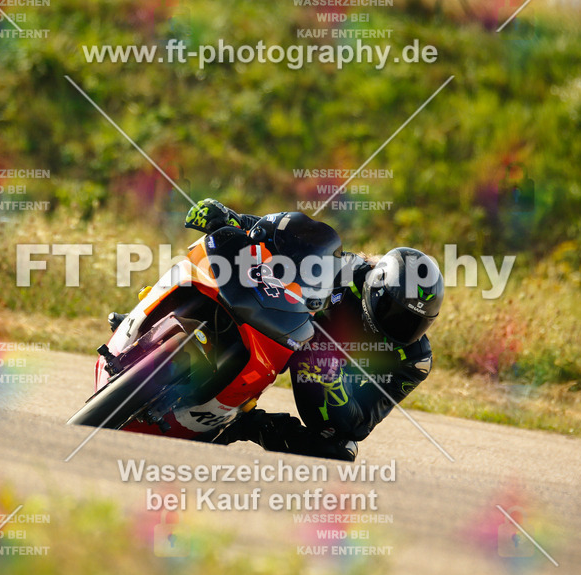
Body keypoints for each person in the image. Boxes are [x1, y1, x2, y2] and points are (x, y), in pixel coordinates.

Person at [109, 198, 444, 462]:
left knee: (339, 450)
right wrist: (235, 220)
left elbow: (358, 424)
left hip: (320, 381)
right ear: (375, 289)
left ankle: (240, 423)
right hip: (286, 327)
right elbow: (290, 243)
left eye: (414, 323)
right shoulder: (351, 270)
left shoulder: (412, 360)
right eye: (394, 312)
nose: (399, 327)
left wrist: (333, 382)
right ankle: (154, 321)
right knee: (223, 285)